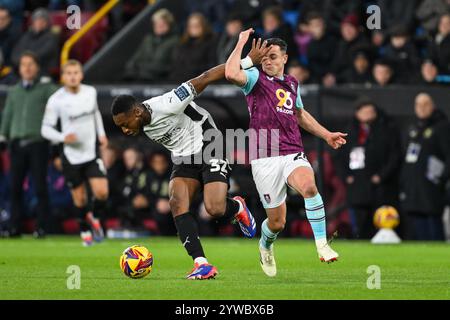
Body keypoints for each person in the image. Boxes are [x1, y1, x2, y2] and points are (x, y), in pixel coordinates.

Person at [110, 38, 268, 279]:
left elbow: (205, 77)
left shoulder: (169, 102)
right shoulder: (142, 123)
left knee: (214, 208)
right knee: (176, 202)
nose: (125, 130)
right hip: (183, 157)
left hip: (209, 143)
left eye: (125, 124)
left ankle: (237, 206)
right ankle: (201, 263)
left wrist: (246, 62)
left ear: (137, 112)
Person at [225, 29, 347, 277]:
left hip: (292, 151)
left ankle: (322, 244)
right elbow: (229, 72)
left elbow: (299, 114)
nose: (267, 61)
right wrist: (241, 45)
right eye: (265, 58)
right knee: (277, 222)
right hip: (264, 157)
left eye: (272, 56)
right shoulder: (253, 77)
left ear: (285, 58)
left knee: (309, 187)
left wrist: (326, 134)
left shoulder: (292, 83)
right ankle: (265, 244)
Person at [41, 60, 108, 246]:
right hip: (71, 155)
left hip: (91, 152)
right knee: (79, 198)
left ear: (81, 74)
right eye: (68, 73)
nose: (72, 76)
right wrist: (63, 137)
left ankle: (94, 217)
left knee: (102, 192)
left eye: (75, 72)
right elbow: (45, 129)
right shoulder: (56, 100)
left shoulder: (90, 92)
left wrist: (101, 134)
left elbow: (95, 114)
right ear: (63, 77)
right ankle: (84, 230)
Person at [0, 51, 57, 238]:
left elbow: (61, 98)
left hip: (37, 143)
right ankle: (14, 226)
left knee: (40, 187)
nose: (27, 68)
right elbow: (7, 115)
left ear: (37, 67)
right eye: (24, 64)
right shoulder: (14, 91)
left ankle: (43, 227)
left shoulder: (45, 88)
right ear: (20, 68)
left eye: (31, 64)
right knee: (14, 187)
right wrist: (3, 136)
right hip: (16, 144)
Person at [340, 99, 401, 239]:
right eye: (364, 111)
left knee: (379, 223)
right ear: (357, 114)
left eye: (371, 111)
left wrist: (382, 175)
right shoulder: (349, 132)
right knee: (359, 225)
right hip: (357, 188)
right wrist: (346, 176)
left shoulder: (386, 130)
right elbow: (339, 156)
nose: (368, 114)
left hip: (380, 188)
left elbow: (394, 156)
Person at [400, 93, 450, 241]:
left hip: (432, 186)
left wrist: (442, 179)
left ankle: (439, 256)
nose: (422, 108)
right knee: (416, 220)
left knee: (432, 219)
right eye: (418, 105)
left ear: (433, 106)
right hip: (413, 187)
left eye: (425, 104)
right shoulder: (413, 128)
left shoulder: (442, 127)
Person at [124, 8, 179, 82]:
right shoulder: (148, 39)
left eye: (162, 24)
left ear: (169, 24)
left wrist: (145, 68)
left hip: (161, 80)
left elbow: (172, 66)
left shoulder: (175, 41)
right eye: (156, 23)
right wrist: (131, 68)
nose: (159, 26)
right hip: (141, 77)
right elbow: (135, 58)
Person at [169, 13, 217, 83]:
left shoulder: (210, 43)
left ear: (203, 26)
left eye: (196, 25)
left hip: (200, 82)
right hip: (180, 82)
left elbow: (211, 66)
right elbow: (176, 65)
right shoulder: (182, 44)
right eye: (191, 26)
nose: (193, 28)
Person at [11, 8, 59, 76]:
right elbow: (16, 52)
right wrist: (21, 63)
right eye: (37, 20)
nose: (39, 23)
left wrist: (25, 63)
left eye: (43, 21)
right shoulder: (27, 35)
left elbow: (43, 54)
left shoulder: (52, 37)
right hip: (22, 71)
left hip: (43, 72)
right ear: (33, 22)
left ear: (47, 23)